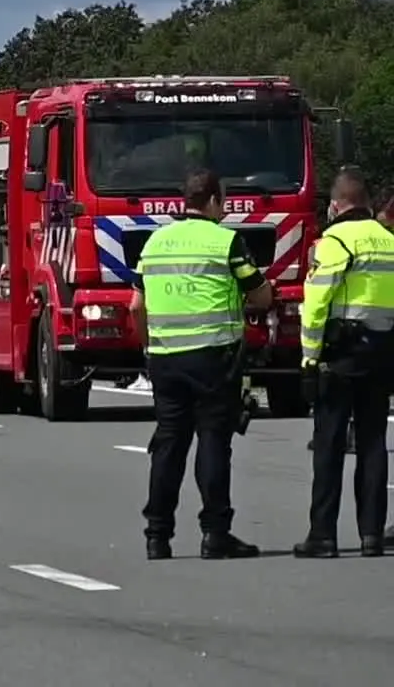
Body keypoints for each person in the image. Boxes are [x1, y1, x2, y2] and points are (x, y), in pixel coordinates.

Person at [130, 169, 268, 561]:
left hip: (165, 360)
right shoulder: (226, 241)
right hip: (214, 358)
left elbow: (136, 306)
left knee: (169, 445)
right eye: (222, 203)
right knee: (212, 443)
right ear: (212, 202)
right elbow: (261, 296)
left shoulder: (155, 242)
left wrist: (149, 348)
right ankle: (215, 534)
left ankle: (157, 537)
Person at [293, 168, 394, 558]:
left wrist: (309, 358)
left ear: (336, 205)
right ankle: (371, 535)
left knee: (330, 444)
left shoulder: (334, 241)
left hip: (342, 354)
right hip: (383, 352)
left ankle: (323, 536)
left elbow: (317, 303)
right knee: (372, 444)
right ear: (367, 204)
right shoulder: (388, 240)